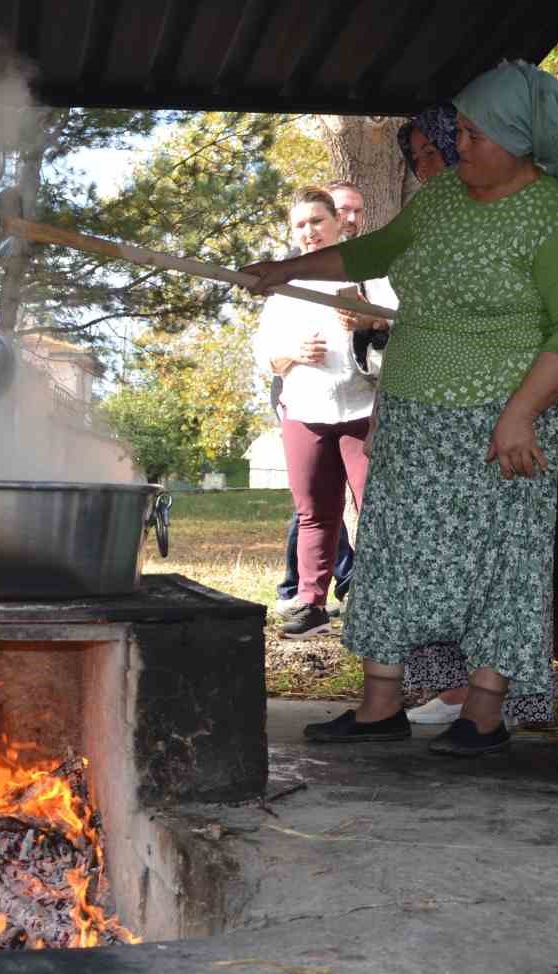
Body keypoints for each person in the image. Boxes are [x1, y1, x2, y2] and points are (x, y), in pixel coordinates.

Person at [243, 60, 558, 755]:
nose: (456, 145)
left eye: (472, 134)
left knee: (498, 559)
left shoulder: (555, 218)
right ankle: (380, 706)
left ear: (519, 137)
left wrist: (521, 413)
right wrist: (284, 272)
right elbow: (371, 251)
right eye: (459, 131)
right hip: (412, 413)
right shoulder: (440, 202)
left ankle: (485, 713)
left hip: (502, 420)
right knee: (395, 552)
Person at [252, 187, 377, 639]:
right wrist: (294, 352)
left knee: (376, 508)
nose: (310, 232)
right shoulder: (284, 287)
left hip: (364, 409)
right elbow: (265, 354)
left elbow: (395, 331)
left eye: (317, 222)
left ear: (338, 223)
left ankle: (377, 598)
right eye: (300, 225)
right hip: (305, 411)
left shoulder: (368, 273)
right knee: (314, 512)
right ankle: (310, 604)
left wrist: (368, 323)